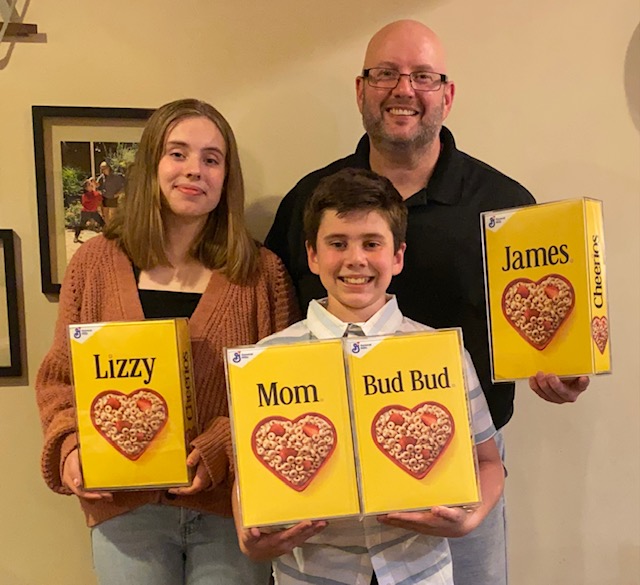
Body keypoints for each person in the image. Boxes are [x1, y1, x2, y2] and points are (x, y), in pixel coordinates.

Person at [264, 20, 589, 585]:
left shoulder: (507, 208)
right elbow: (271, 322)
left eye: (422, 76)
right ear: (361, 88)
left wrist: (561, 366)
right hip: (334, 473)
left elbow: (544, 326)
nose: (403, 90)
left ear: (447, 93)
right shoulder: (310, 201)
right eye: (385, 74)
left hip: (467, 464)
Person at [36, 98, 299, 585]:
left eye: (211, 159)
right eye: (177, 153)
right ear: (152, 164)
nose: (193, 170)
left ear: (226, 177)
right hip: (125, 510)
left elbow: (285, 398)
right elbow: (59, 380)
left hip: (230, 509)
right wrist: (72, 445)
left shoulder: (262, 275)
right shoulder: (94, 266)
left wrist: (222, 448)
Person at [235, 168, 505, 585]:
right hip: (312, 574)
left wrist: (469, 522)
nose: (355, 259)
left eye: (371, 243)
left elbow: (488, 462)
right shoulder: (267, 359)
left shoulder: (439, 352)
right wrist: (249, 534)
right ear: (312, 255)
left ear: (397, 256)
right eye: (337, 244)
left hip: (419, 570)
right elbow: (247, 476)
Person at [73, 177, 105, 243]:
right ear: (86, 188)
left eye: (91, 185)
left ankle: (108, 237)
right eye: (89, 185)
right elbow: (86, 205)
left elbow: (100, 200)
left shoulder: (96, 193)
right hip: (86, 212)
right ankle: (76, 237)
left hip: (94, 212)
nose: (91, 185)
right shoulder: (85, 195)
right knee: (81, 225)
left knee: (103, 223)